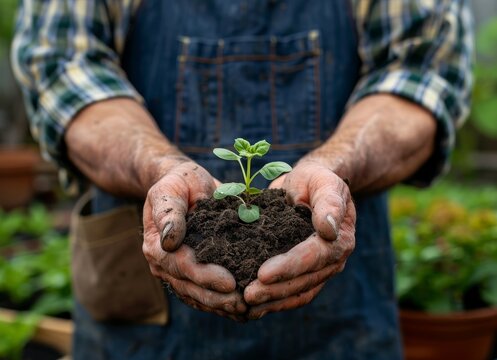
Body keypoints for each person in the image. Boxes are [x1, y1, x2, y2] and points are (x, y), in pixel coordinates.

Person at [12, 0, 473, 358]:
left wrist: (332, 168)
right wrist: (160, 170)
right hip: (141, 326)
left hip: (339, 321)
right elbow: (63, 69)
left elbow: (423, 70)